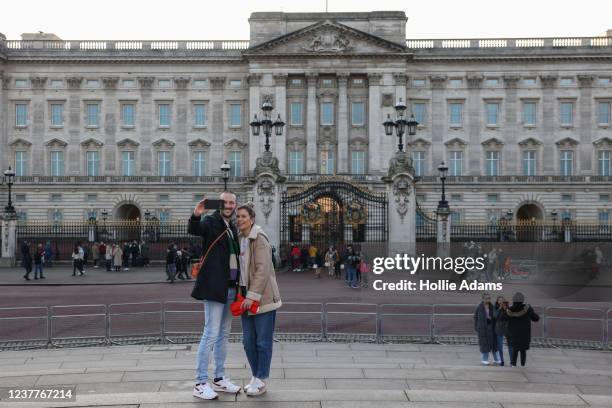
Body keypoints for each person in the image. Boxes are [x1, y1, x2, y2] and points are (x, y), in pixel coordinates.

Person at [189, 192, 242, 400]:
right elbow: (196, 229)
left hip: (230, 287)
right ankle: (200, 382)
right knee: (210, 333)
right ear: (219, 204)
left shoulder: (232, 226)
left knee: (223, 334)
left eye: (232, 202)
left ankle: (219, 378)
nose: (229, 205)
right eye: (225, 202)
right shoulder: (211, 221)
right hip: (214, 286)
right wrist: (196, 214)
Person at [235, 204, 281, 396]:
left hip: (262, 298)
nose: (240, 219)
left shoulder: (259, 239)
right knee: (248, 341)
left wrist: (252, 296)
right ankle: (255, 375)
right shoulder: (240, 239)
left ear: (252, 219)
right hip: (245, 296)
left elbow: (262, 271)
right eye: (238, 216)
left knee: (262, 341)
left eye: (244, 216)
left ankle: (261, 379)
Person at [501, 292, 540, 367]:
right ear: (522, 300)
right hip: (524, 334)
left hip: (513, 334)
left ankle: (513, 365)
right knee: (523, 351)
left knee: (514, 350)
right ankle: (522, 366)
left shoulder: (510, 309)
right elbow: (536, 318)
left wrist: (505, 309)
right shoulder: (528, 308)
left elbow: (502, 318)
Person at [473, 293, 500, 365]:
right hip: (483, 328)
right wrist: (477, 327)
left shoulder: (492, 306)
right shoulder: (479, 307)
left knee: (494, 343)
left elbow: (496, 315)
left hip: (491, 327)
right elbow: (475, 317)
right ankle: (484, 359)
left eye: (489, 298)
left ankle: (496, 359)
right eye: (486, 298)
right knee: (484, 344)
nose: (488, 300)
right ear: (483, 299)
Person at [493, 296, 511, 366]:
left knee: (510, 345)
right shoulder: (496, 308)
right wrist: (500, 308)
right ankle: (502, 361)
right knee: (500, 346)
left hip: (507, 329)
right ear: (497, 301)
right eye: (499, 300)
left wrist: (506, 309)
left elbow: (510, 316)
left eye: (502, 300)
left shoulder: (507, 308)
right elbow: (495, 316)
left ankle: (512, 360)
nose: (501, 302)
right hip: (499, 329)